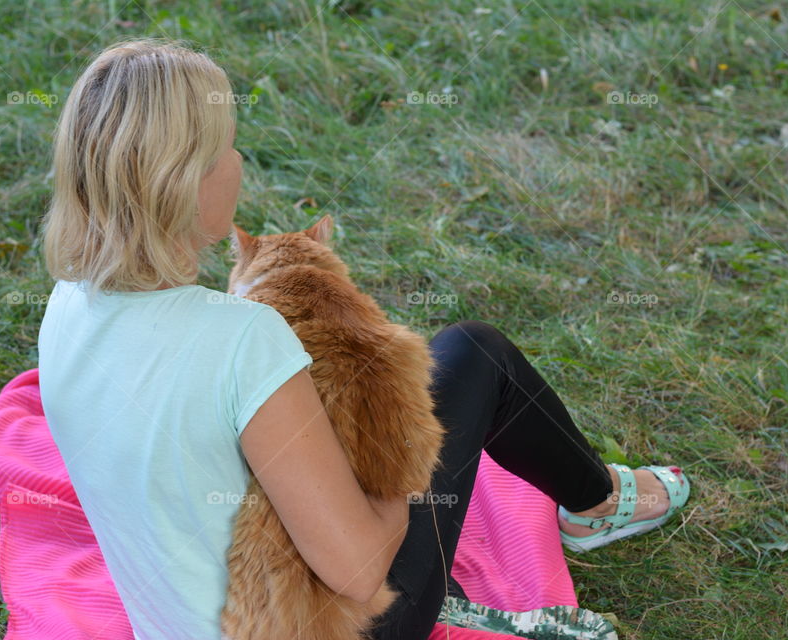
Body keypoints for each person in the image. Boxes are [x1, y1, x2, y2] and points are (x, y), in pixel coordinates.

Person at [38, 39, 690, 640]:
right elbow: (357, 570)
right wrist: (392, 440)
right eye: (228, 147)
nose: (239, 162)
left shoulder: (67, 305)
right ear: (184, 182)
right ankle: (597, 503)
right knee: (474, 353)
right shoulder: (241, 340)